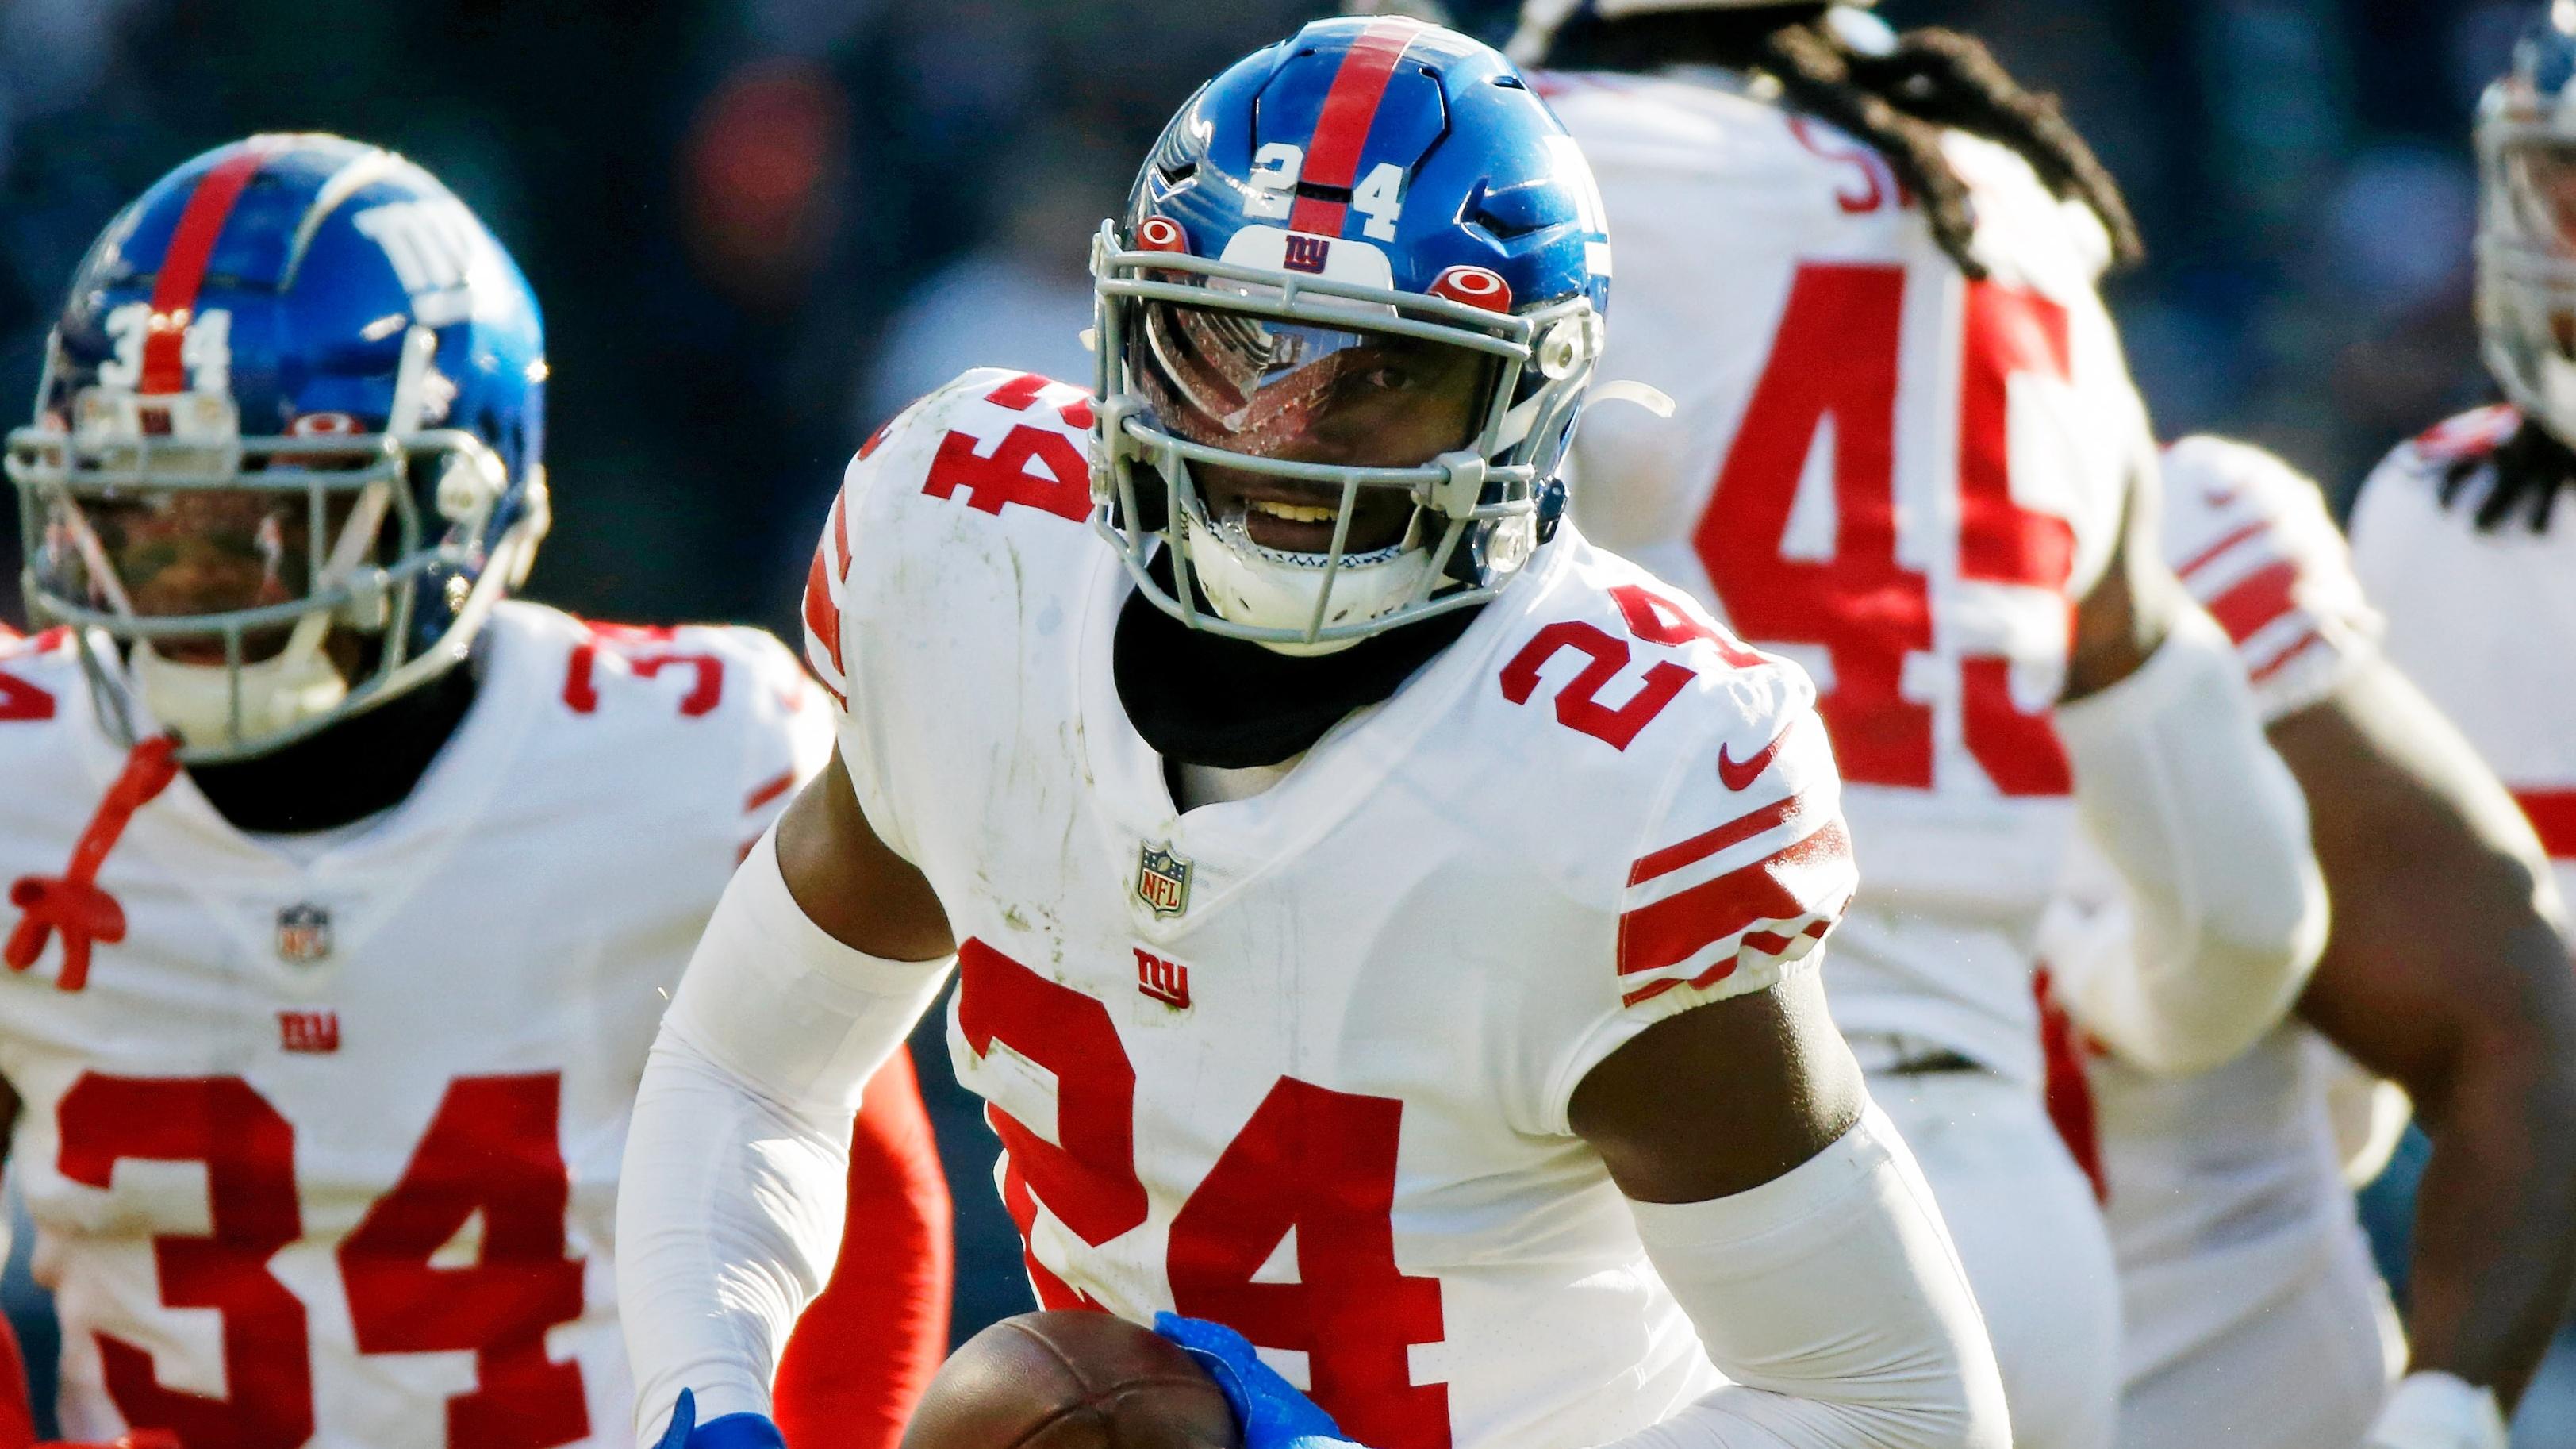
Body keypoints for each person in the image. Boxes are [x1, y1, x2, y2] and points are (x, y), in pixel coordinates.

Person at [619, 17, 2010, 1449]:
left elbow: (1900, 1413)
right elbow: (743, 1065)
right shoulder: (971, 565)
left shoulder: (1616, 783)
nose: (1275, 435)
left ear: (1526, 397)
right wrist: (706, 1396)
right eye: (1227, 345)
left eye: (1380, 374)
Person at [0, 134, 950, 1449]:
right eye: (132, 515)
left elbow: (868, 1200)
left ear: (449, 502)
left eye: (246, 527)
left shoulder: (696, 758)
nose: (171, 590)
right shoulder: (22, 768)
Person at [1511, 4, 2329, 1447]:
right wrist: (2094, 993)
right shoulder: (2008, 208)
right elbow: (2245, 928)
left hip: (1663, 1224)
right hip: (2017, 1230)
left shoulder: (1529, 164)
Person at [2047, 435, 2576, 1449]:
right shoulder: (1666, 608)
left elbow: (2506, 1023)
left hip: (2229, 1392)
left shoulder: (2175, 542)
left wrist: (2440, 1415)